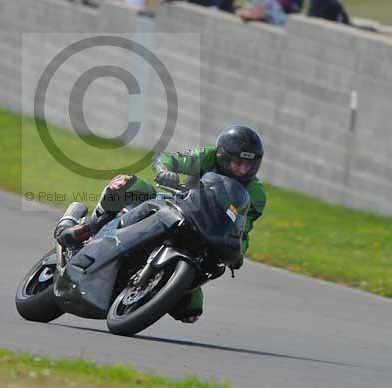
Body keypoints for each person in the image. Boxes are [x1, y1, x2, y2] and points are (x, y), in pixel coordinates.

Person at [55, 125, 267, 324]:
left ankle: (145, 287)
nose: (241, 170)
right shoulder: (207, 156)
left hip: (206, 232)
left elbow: (243, 227)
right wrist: (166, 170)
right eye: (236, 163)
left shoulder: (256, 194)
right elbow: (168, 158)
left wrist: (239, 251)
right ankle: (89, 229)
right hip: (180, 206)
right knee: (131, 185)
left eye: (247, 165)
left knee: (191, 309)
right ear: (222, 157)